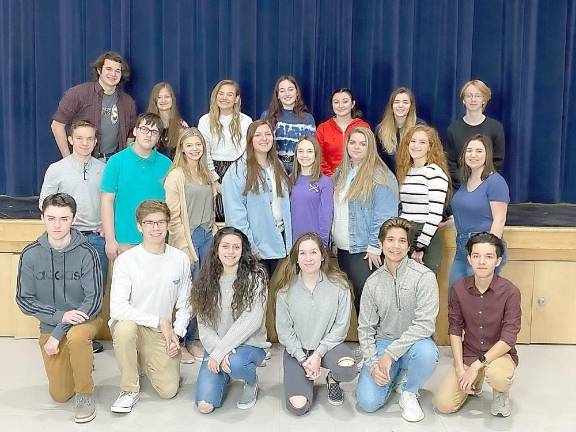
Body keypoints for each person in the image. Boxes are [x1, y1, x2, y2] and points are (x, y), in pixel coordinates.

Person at [16, 193, 103, 423]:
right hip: (50, 323)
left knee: (76, 337)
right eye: (51, 218)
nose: (57, 225)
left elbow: (93, 301)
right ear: (42, 217)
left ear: (73, 219)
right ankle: (81, 361)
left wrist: (59, 331)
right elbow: (24, 300)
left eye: (64, 219)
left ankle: (86, 394)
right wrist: (59, 318)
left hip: (87, 320)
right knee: (60, 394)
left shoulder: (88, 253)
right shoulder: (31, 254)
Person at [109, 200, 191, 413]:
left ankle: (145, 360)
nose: (156, 228)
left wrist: (178, 335)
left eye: (160, 222)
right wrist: (159, 321)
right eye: (149, 223)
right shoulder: (126, 260)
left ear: (168, 224)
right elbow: (117, 308)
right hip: (133, 325)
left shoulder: (180, 259)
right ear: (139, 226)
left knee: (169, 390)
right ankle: (129, 389)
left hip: (160, 333)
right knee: (124, 328)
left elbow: (186, 303)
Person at [356, 217, 439, 423]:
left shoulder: (424, 276)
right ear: (381, 244)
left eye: (402, 241)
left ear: (409, 246)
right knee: (367, 403)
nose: (396, 246)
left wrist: (390, 355)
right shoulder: (372, 283)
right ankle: (396, 375)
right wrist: (373, 364)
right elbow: (365, 329)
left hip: (415, 343)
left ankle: (409, 391)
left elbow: (424, 325)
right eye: (390, 240)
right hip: (383, 342)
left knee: (428, 352)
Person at [435, 233, 521, 418]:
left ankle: (500, 393)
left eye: (489, 256)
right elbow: (455, 329)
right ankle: (476, 381)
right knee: (444, 405)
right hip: (470, 352)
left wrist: (475, 367)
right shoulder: (458, 289)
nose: (482, 262)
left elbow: (508, 338)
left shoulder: (510, 292)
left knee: (499, 376)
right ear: (469, 259)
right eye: (476, 256)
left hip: (499, 354)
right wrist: (460, 367)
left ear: (498, 261)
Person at [40, 120, 107, 354]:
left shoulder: (103, 168)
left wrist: (107, 227)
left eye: (89, 138)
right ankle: (61, 333)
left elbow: (111, 202)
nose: (84, 143)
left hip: (97, 238)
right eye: (79, 138)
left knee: (93, 290)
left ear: (95, 141)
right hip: (68, 239)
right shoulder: (57, 169)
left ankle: (85, 336)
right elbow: (44, 203)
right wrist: (63, 224)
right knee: (66, 288)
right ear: (70, 139)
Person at [276, 233, 356, 415]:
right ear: (296, 258)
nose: (308, 258)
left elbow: (341, 326)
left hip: (328, 348)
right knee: (298, 407)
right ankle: (304, 377)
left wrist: (318, 354)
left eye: (313, 252)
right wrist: (303, 359)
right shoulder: (285, 290)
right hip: (298, 352)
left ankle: (333, 380)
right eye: (302, 253)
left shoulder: (339, 285)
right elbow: (284, 332)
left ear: (322, 255)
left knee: (348, 370)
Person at [191, 227, 270, 413]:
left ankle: (251, 382)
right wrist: (219, 350)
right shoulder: (205, 279)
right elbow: (203, 325)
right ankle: (225, 371)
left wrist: (220, 352)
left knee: (236, 364)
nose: (231, 252)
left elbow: (252, 320)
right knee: (204, 405)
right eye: (225, 246)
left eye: (236, 247)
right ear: (216, 249)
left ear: (243, 251)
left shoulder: (256, 276)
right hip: (218, 346)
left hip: (249, 344)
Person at [332, 126, 398, 313]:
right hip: (345, 249)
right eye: (352, 142)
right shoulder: (342, 172)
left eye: (363, 144)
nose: (357, 147)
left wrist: (375, 246)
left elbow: (385, 215)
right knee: (359, 298)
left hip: (365, 251)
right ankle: (367, 340)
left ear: (371, 147)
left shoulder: (380, 175)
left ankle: (375, 342)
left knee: (368, 300)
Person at [164, 127, 216, 363]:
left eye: (198, 145)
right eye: (190, 145)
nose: (195, 149)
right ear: (182, 148)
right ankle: (180, 340)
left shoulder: (205, 173)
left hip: (207, 236)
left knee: (203, 290)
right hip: (189, 238)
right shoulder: (176, 175)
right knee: (187, 293)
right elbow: (173, 216)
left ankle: (194, 338)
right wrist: (184, 246)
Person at [222, 120, 292, 277]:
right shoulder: (237, 172)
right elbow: (235, 216)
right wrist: (250, 248)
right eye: (258, 135)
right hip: (257, 251)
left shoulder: (278, 165)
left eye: (268, 134)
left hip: (281, 243)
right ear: (250, 139)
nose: (264, 138)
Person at [100, 112, 172, 261]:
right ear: (135, 131)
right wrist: (110, 240)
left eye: (154, 132)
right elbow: (107, 201)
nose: (149, 135)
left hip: (157, 240)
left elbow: (172, 203)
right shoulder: (116, 161)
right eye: (144, 129)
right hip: (124, 241)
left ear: (159, 137)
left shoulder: (167, 165)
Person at [51, 51, 137, 161]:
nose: (113, 74)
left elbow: (131, 134)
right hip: (83, 160)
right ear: (99, 70)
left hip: (114, 162)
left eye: (117, 71)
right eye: (109, 69)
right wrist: (69, 160)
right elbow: (57, 125)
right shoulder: (78, 93)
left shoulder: (128, 102)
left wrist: (126, 160)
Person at [449, 135, 509, 287]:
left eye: (479, 151)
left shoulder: (495, 182)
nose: (473, 155)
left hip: (482, 247)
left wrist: (488, 252)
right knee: (455, 296)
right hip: (462, 247)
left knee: (477, 301)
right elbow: (466, 213)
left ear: (487, 154)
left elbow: (499, 219)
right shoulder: (465, 181)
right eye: (469, 150)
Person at [396, 125, 450, 273]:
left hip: (425, 237)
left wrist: (420, 246)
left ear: (430, 147)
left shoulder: (435, 173)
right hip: (405, 233)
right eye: (412, 141)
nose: (416, 146)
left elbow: (434, 215)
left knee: (424, 290)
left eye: (422, 142)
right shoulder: (406, 171)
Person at [198, 79, 252, 222]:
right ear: (215, 96)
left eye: (229, 94)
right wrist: (214, 180)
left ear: (236, 99)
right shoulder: (205, 120)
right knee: (214, 215)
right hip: (211, 170)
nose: (224, 98)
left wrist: (235, 180)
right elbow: (204, 152)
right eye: (221, 94)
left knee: (236, 215)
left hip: (237, 170)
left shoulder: (246, 121)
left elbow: (247, 152)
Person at [446, 79, 505, 189]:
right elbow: (450, 163)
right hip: (460, 187)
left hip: (487, 186)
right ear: (463, 100)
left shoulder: (496, 128)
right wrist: (466, 183)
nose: (473, 99)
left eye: (477, 96)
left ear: (484, 100)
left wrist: (481, 183)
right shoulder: (453, 129)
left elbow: (497, 162)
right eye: (469, 96)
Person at [261, 75, 316, 174]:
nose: (287, 94)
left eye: (290, 89)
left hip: (300, 169)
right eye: (282, 91)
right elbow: (259, 146)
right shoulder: (267, 116)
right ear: (277, 95)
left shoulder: (308, 119)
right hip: (273, 169)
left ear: (297, 93)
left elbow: (312, 149)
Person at [290, 136, 334, 247]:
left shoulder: (325, 182)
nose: (304, 155)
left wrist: (322, 243)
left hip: (315, 242)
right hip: (293, 242)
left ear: (316, 154)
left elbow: (326, 216)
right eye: (300, 151)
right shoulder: (289, 179)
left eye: (309, 151)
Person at [316, 88, 369, 176]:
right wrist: (331, 178)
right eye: (336, 102)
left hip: (359, 177)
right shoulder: (322, 128)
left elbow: (369, 154)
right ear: (332, 105)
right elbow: (319, 157)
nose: (340, 106)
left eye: (345, 101)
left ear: (352, 104)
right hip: (329, 179)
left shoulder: (363, 126)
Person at [376, 87, 425, 172]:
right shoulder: (380, 129)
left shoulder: (420, 127)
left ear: (411, 106)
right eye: (396, 102)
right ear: (391, 105)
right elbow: (377, 159)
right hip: (389, 178)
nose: (400, 105)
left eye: (405, 102)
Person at [146, 82, 189, 159]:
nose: (163, 100)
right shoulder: (147, 125)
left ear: (172, 99)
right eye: (159, 97)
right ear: (154, 100)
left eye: (167, 97)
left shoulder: (182, 126)